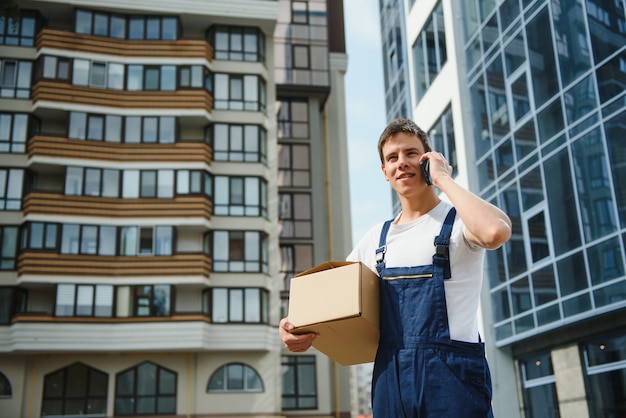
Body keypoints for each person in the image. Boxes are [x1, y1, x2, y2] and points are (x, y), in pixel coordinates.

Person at [279, 118, 512, 417]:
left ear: (429, 159)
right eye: (393, 157)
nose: (402, 162)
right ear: (384, 171)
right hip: (391, 380)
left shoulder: (459, 222)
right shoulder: (377, 239)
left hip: (452, 379)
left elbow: (495, 232)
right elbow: (329, 300)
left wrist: (443, 180)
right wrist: (291, 325)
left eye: (411, 153)